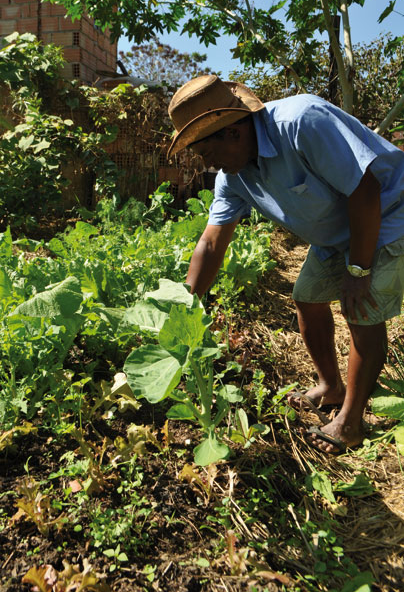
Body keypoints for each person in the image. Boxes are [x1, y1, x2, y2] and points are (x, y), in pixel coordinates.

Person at [167, 74, 404, 454]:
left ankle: (351, 420)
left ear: (232, 132)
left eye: (204, 150)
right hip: (334, 230)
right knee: (307, 297)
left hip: (388, 212)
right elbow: (211, 243)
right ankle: (331, 385)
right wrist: (185, 309)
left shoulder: (302, 122)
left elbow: (366, 189)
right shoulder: (234, 176)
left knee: (360, 308)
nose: (204, 162)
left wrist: (358, 270)